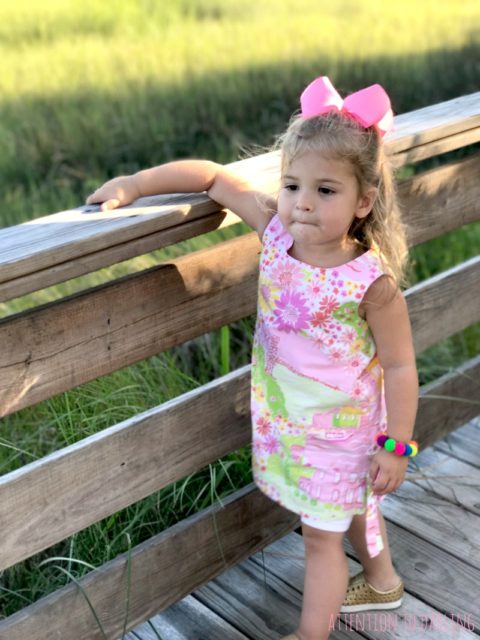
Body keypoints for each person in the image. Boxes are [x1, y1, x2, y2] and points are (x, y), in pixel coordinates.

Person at [87, 76, 419, 640]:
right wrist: (135, 184)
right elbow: (215, 178)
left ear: (363, 201)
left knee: (320, 539)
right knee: (347, 505)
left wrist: (397, 445)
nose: (302, 203)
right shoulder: (276, 234)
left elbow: (402, 366)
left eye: (326, 190)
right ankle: (382, 580)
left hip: (343, 433)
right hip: (292, 421)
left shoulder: (371, 284)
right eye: (292, 185)